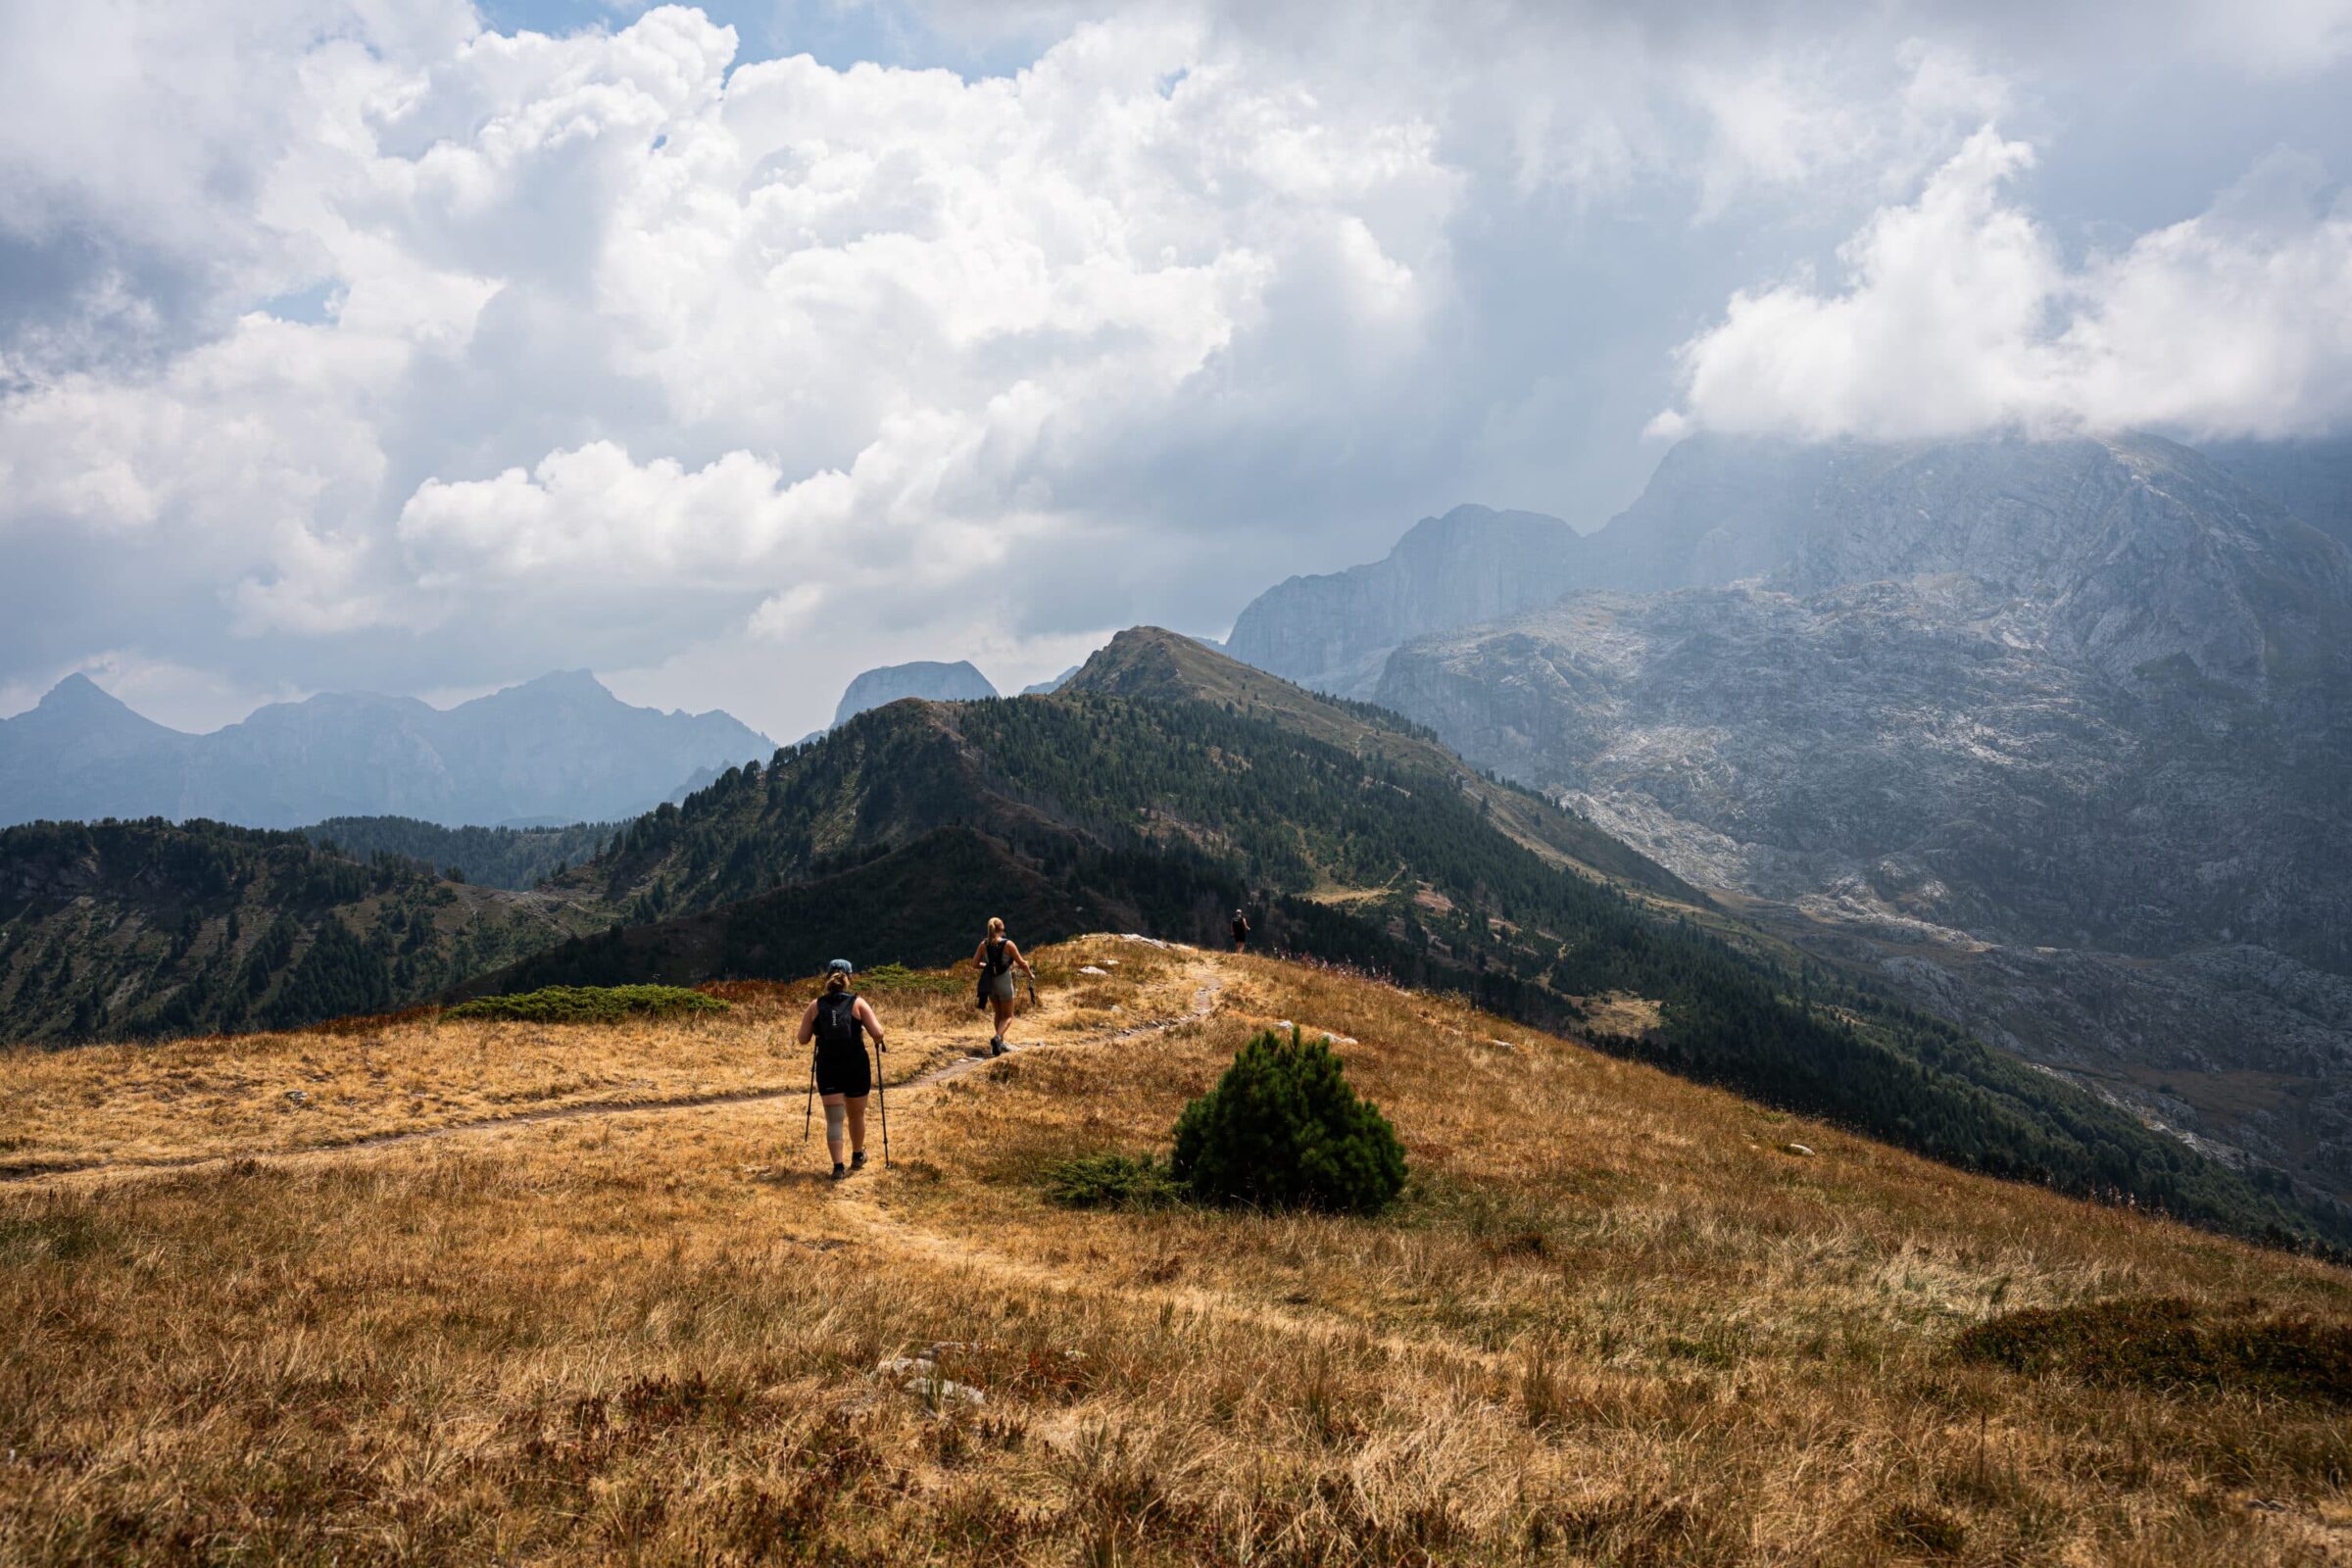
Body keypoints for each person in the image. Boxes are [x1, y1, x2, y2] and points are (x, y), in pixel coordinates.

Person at [798, 958, 885, 1180]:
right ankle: (857, 1155)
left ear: (827, 977)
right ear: (849, 978)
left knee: (834, 1119)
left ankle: (838, 1168)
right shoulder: (858, 1003)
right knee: (856, 1114)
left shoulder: (815, 1006)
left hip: (828, 1067)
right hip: (856, 1065)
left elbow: (802, 1038)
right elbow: (878, 1033)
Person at [972, 916, 1034, 1056]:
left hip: (990, 983)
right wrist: (1030, 975)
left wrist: (988, 966)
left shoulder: (983, 944)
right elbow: (1022, 963)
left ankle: (999, 1044)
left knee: (998, 1014)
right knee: (1008, 1016)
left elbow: (974, 964)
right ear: (1001, 929)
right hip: (1004, 982)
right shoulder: (1008, 944)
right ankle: (998, 1038)